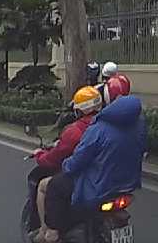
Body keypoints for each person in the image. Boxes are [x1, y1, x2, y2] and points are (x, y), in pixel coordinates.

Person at [37, 96, 147, 243]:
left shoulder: (98, 130)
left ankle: (52, 233)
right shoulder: (138, 129)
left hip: (97, 187)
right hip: (126, 185)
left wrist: (66, 165)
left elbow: (78, 160)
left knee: (52, 186)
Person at [30, 86, 103, 239]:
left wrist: (40, 156)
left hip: (84, 178)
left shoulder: (75, 131)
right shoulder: (108, 126)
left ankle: (47, 231)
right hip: (105, 178)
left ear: (79, 111)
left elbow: (55, 158)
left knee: (45, 186)